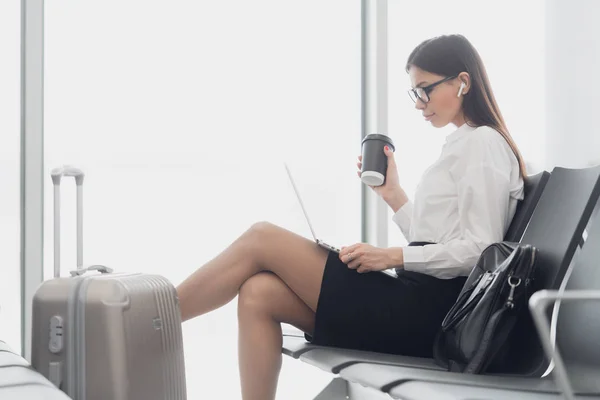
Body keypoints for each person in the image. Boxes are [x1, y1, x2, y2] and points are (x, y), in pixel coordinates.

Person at [176, 34, 526, 400]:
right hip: (419, 302)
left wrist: (391, 256)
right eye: (415, 93)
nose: (420, 104)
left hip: (431, 315)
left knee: (262, 237)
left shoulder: (483, 143)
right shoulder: (465, 143)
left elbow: (482, 252)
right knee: (258, 293)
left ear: (463, 82)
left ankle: (149, 319)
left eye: (425, 89)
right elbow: (438, 238)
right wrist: (394, 195)